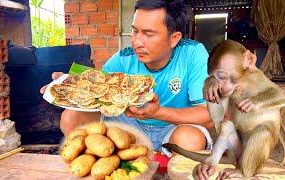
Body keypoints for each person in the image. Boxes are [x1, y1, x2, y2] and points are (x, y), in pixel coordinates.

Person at [41, 0, 213, 156]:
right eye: (135, 31)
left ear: (174, 38)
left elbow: (210, 116)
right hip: (130, 126)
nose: (137, 42)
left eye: (148, 34)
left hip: (173, 128)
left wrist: (158, 112)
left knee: (190, 139)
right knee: (71, 117)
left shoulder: (193, 53)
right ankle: (103, 163)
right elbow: (99, 87)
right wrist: (71, 84)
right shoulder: (124, 58)